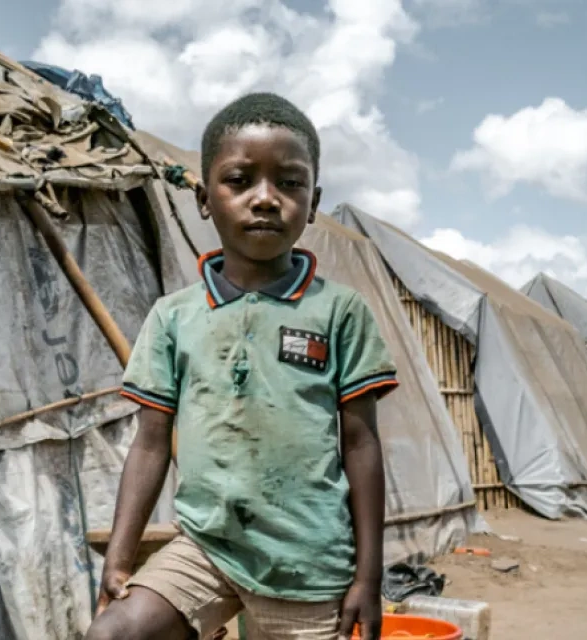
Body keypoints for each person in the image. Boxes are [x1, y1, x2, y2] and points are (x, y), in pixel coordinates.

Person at [85, 92, 398, 640]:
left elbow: (360, 443)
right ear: (205, 198)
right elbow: (152, 442)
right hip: (208, 547)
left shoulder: (339, 311)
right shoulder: (175, 315)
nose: (265, 199)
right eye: (239, 180)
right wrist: (119, 556)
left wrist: (367, 576)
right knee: (115, 634)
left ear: (314, 200)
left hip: (308, 564)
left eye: (290, 182)